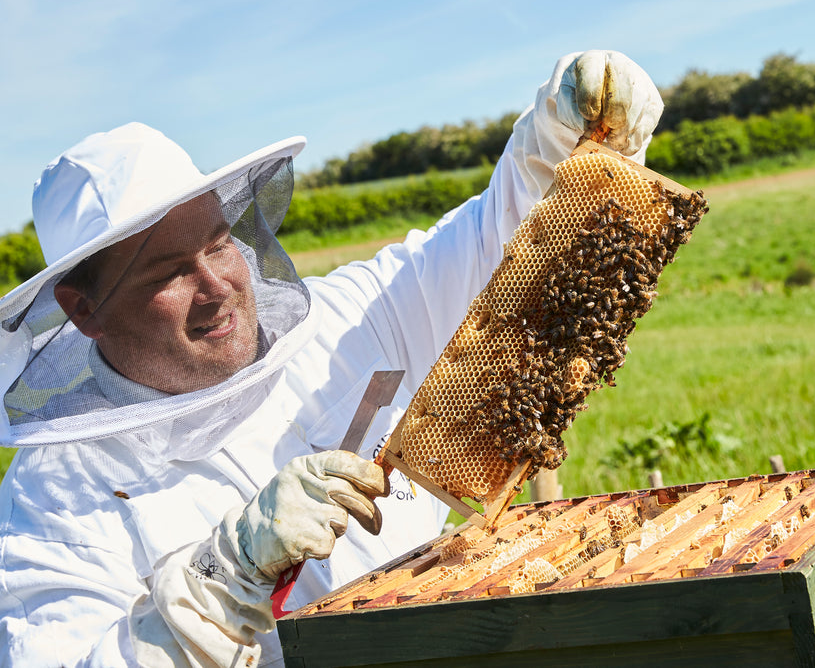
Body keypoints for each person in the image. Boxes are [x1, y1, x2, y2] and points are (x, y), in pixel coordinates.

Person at [0, 50, 663, 667]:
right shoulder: (53, 502)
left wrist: (562, 133)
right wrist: (222, 572)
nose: (216, 285)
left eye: (219, 243)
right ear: (83, 310)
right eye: (168, 272)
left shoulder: (349, 317)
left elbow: (507, 235)